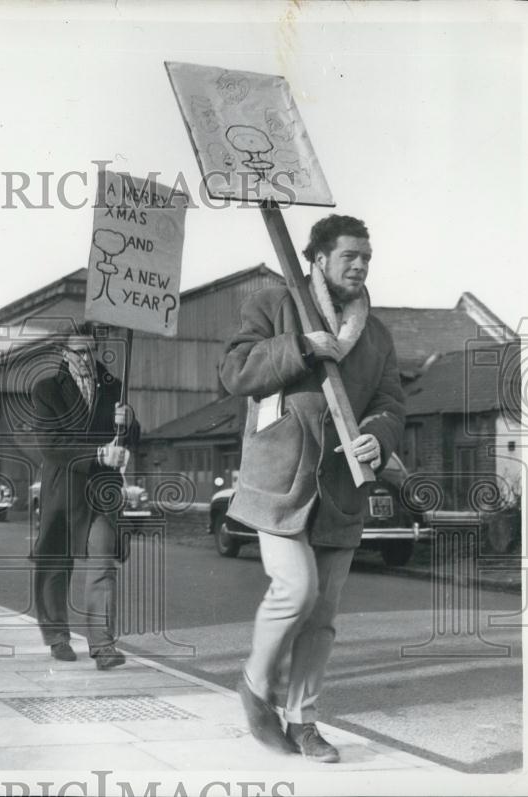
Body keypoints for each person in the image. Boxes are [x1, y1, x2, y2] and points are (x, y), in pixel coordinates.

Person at [219, 215, 405, 763]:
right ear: (318, 259)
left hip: (342, 491)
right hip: (280, 479)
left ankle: (304, 721)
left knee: (322, 616)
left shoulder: (376, 334)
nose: (361, 265)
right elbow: (234, 372)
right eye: (350, 255)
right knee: (295, 589)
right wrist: (301, 346)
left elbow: (391, 402)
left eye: (366, 257)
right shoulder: (274, 304)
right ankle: (255, 686)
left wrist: (378, 435)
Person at [29, 323, 139, 670]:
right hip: (64, 487)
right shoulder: (46, 388)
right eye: (80, 353)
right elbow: (50, 445)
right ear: (65, 354)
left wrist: (130, 423)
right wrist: (97, 454)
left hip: (101, 490)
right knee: (56, 562)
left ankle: (103, 645)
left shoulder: (115, 388)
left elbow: (130, 438)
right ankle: (57, 635)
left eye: (92, 351)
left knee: (103, 562)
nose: (88, 359)